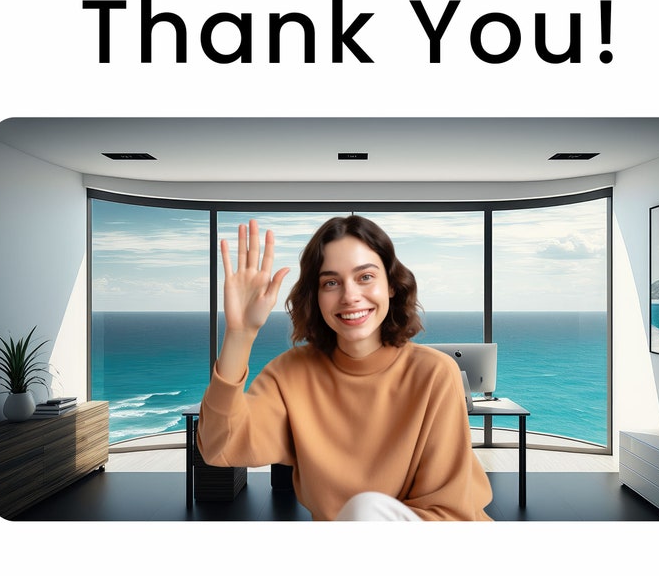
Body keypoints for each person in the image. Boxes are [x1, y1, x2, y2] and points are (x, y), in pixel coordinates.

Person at [197, 216, 493, 521]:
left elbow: (451, 512)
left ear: (391, 285)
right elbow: (220, 447)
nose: (350, 296)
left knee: (366, 510)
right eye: (331, 282)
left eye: (365, 277)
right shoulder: (290, 374)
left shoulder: (435, 373)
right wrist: (240, 334)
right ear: (316, 295)